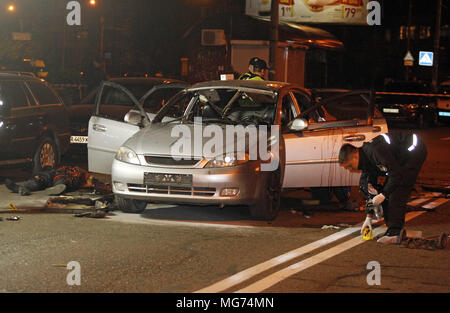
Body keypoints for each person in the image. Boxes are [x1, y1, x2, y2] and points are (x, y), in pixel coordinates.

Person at [338, 132, 427, 244]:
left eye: (350, 166)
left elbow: (396, 175)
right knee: (371, 187)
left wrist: (383, 194)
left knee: (397, 191)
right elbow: (369, 189)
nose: (350, 170)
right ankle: (390, 230)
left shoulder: (375, 151)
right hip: (398, 159)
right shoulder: (366, 160)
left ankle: (394, 233)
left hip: (413, 150)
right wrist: (368, 217)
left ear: (355, 155)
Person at [4, 166, 109, 196]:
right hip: (56, 175)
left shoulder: (83, 179)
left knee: (59, 181)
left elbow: (98, 185)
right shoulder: (77, 173)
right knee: (39, 180)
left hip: (56, 177)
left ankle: (22, 187)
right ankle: (19, 187)